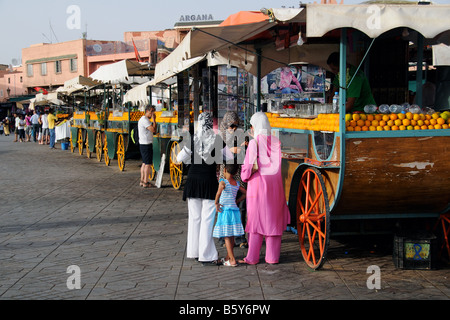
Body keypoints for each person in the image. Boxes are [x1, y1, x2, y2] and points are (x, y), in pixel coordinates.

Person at [238, 112, 290, 265]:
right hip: (276, 187)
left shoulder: (254, 143)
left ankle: (252, 257)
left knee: (256, 221)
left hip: (258, 188)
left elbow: (246, 170)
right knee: (273, 220)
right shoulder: (276, 142)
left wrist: (244, 175)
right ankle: (272, 257)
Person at [178, 112, 221, 266]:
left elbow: (178, 159)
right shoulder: (216, 140)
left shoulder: (193, 140)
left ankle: (194, 251)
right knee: (207, 220)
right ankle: (206, 254)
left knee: (195, 219)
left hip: (193, 182)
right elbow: (228, 157)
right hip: (209, 183)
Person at [218, 111, 248, 249]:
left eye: (236, 125)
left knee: (241, 207)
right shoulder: (220, 136)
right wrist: (231, 150)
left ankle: (240, 237)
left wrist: (244, 146)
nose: (234, 129)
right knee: (225, 206)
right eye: (231, 126)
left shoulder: (241, 134)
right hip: (227, 175)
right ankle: (223, 237)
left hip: (239, 174)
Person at [213, 164, 246, 267]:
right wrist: (237, 201)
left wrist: (216, 203)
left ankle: (232, 260)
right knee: (231, 235)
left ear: (225, 170)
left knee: (227, 236)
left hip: (225, 212)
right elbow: (246, 193)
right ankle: (228, 256)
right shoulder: (236, 183)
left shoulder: (223, 182)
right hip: (234, 212)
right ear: (236, 173)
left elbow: (218, 192)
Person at [138, 105, 157, 188]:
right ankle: (145, 181)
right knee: (148, 164)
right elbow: (153, 130)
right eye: (151, 111)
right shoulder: (145, 120)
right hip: (146, 144)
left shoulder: (142, 119)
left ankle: (142, 181)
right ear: (147, 111)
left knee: (144, 163)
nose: (152, 113)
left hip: (143, 144)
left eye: (153, 111)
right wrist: (154, 120)